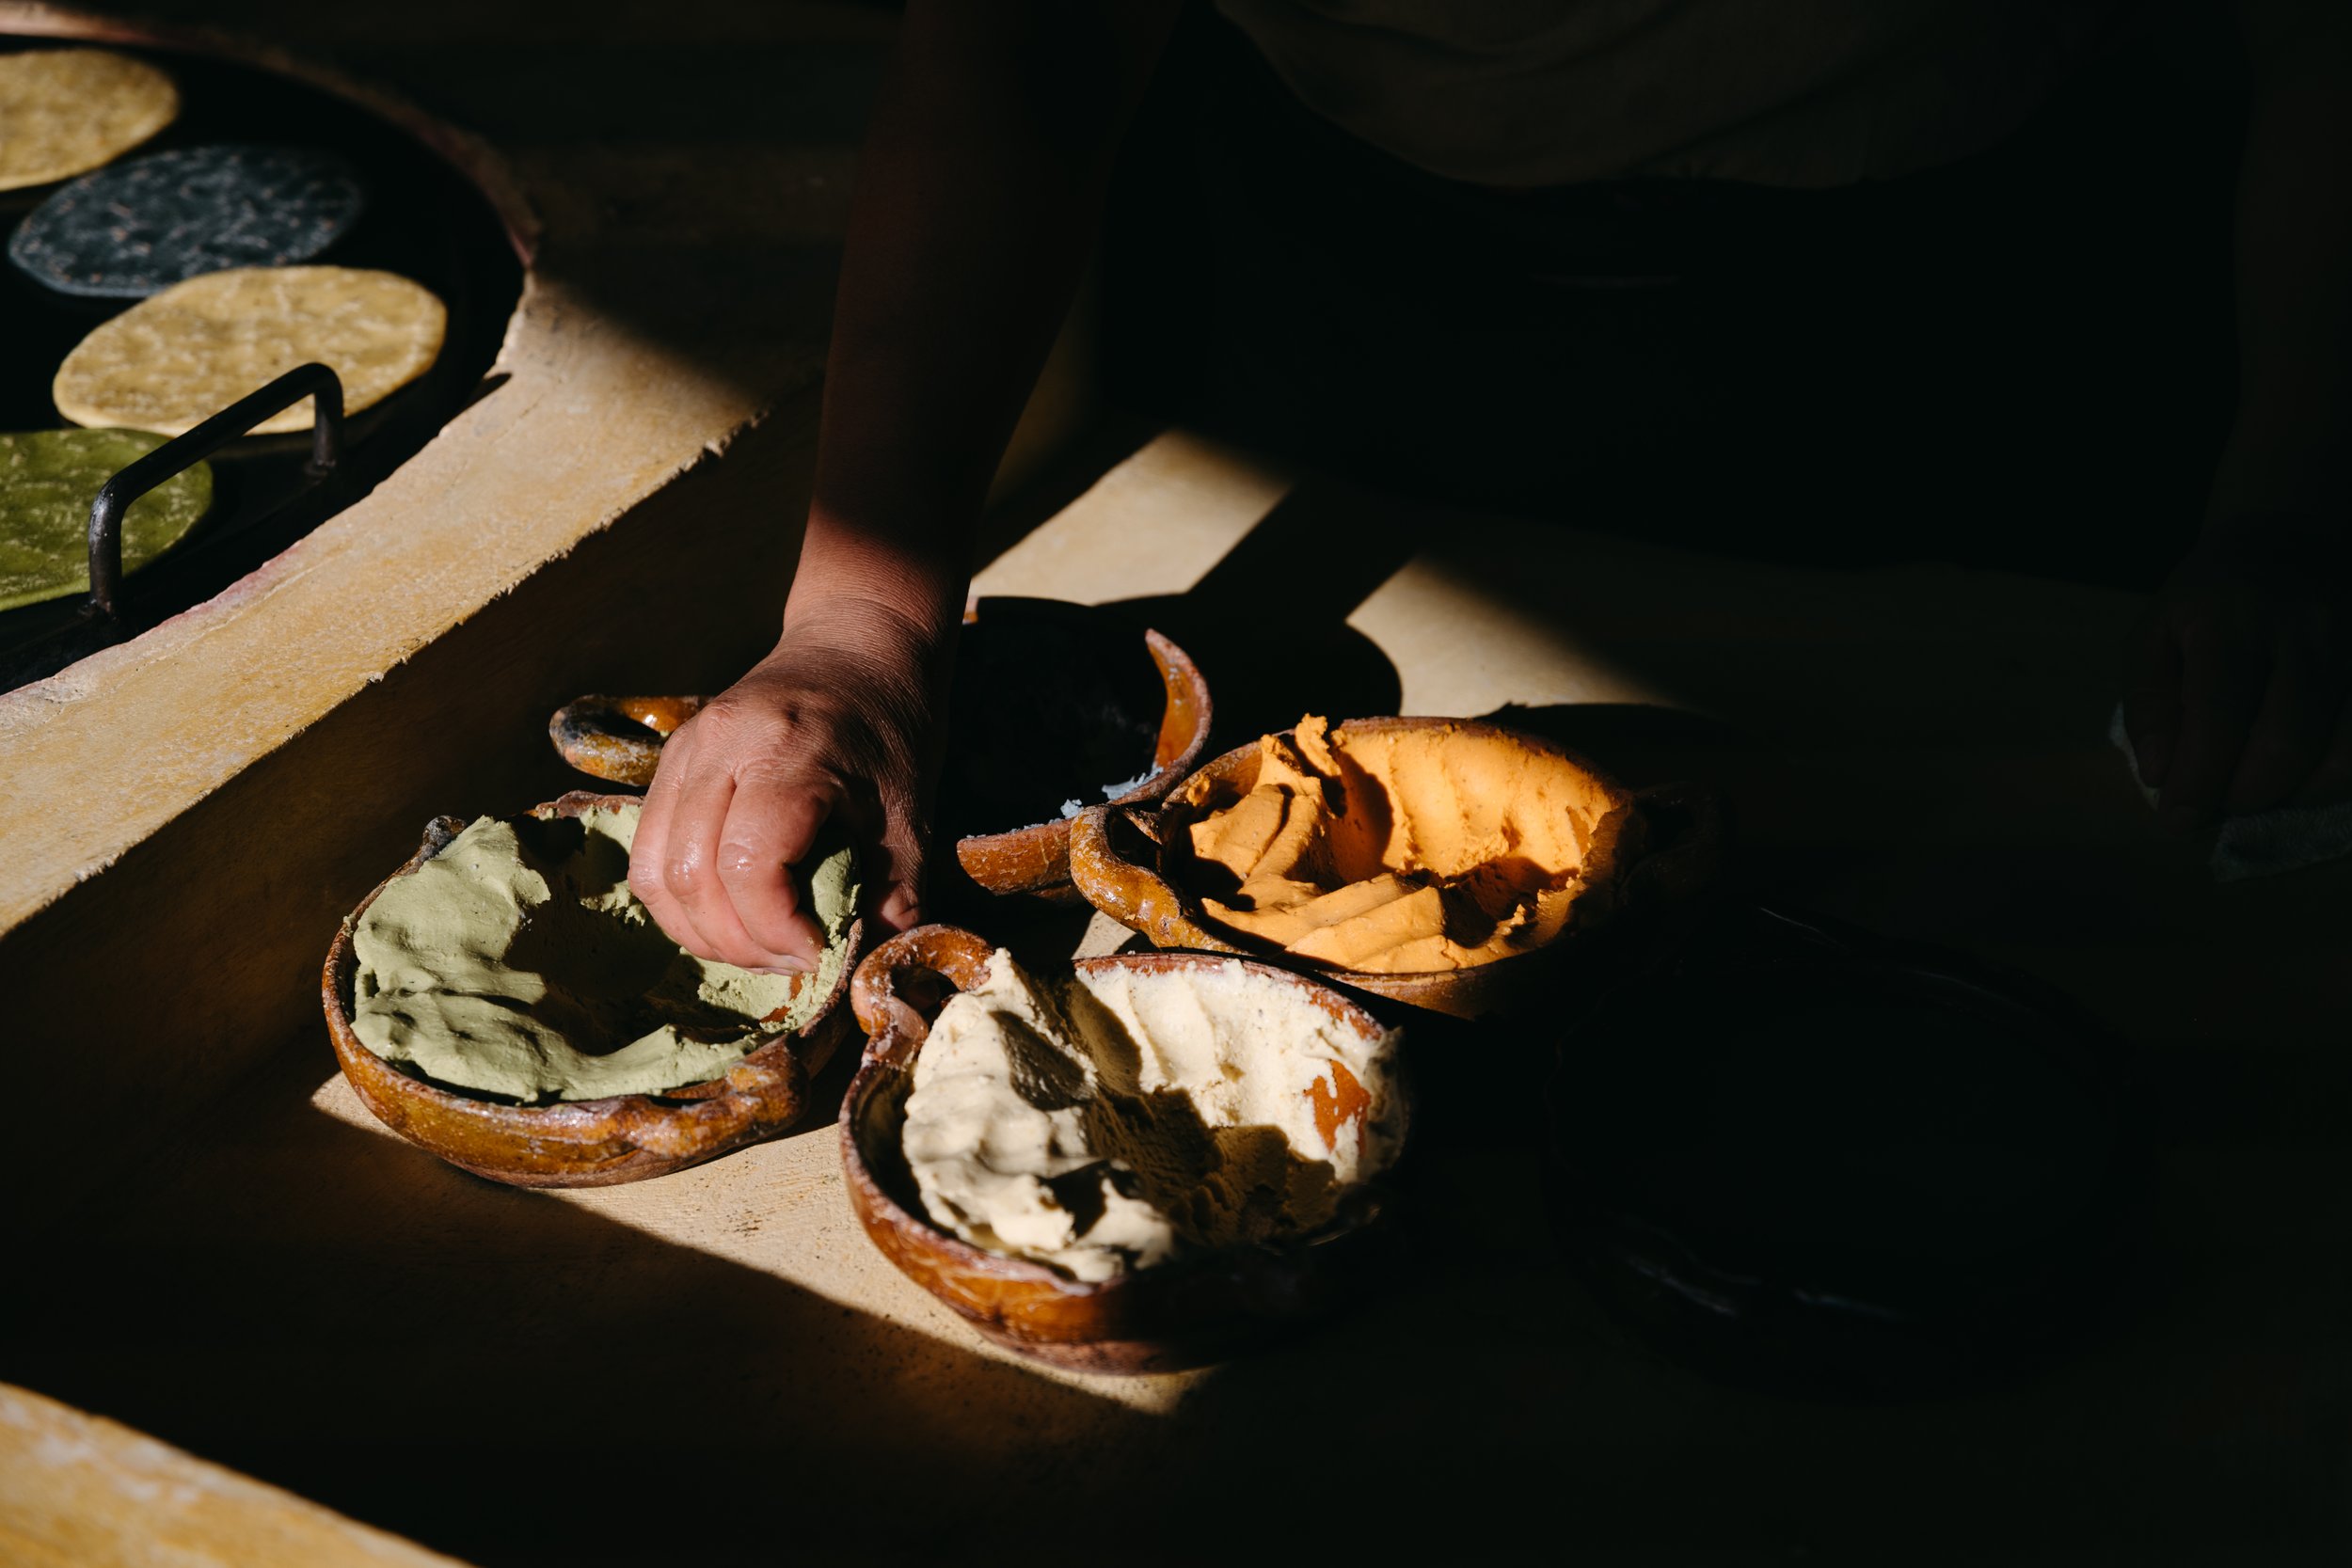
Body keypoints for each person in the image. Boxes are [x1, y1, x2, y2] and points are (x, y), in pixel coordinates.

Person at [628, 0, 2352, 974]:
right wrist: (854, 624)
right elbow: (1024, 42)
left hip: (1980, 311)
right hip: (1361, 278)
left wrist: (2289, 500)